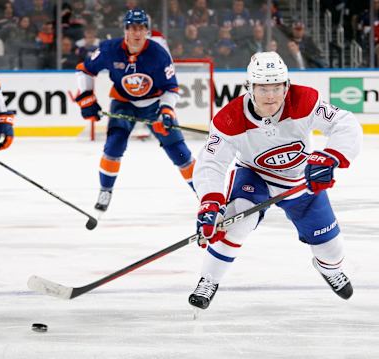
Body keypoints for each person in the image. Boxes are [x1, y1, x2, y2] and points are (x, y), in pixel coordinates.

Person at [188, 51, 363, 310]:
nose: (271, 95)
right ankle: (209, 279)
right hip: (255, 176)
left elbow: (345, 124)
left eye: (277, 87)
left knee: (332, 249)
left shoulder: (304, 100)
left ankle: (327, 266)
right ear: (249, 87)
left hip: (300, 179)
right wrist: (210, 203)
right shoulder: (229, 118)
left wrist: (330, 157)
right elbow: (211, 163)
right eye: (263, 88)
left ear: (286, 86)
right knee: (237, 221)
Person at [74, 8, 196, 212]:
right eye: (132, 28)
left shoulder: (159, 54)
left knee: (179, 152)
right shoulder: (109, 49)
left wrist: (166, 111)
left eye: (141, 28)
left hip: (155, 105)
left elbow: (171, 88)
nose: (136, 33)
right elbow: (85, 70)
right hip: (124, 104)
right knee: (113, 147)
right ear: (125, 30)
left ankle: (203, 193)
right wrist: (86, 99)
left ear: (147, 31)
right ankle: (105, 190)